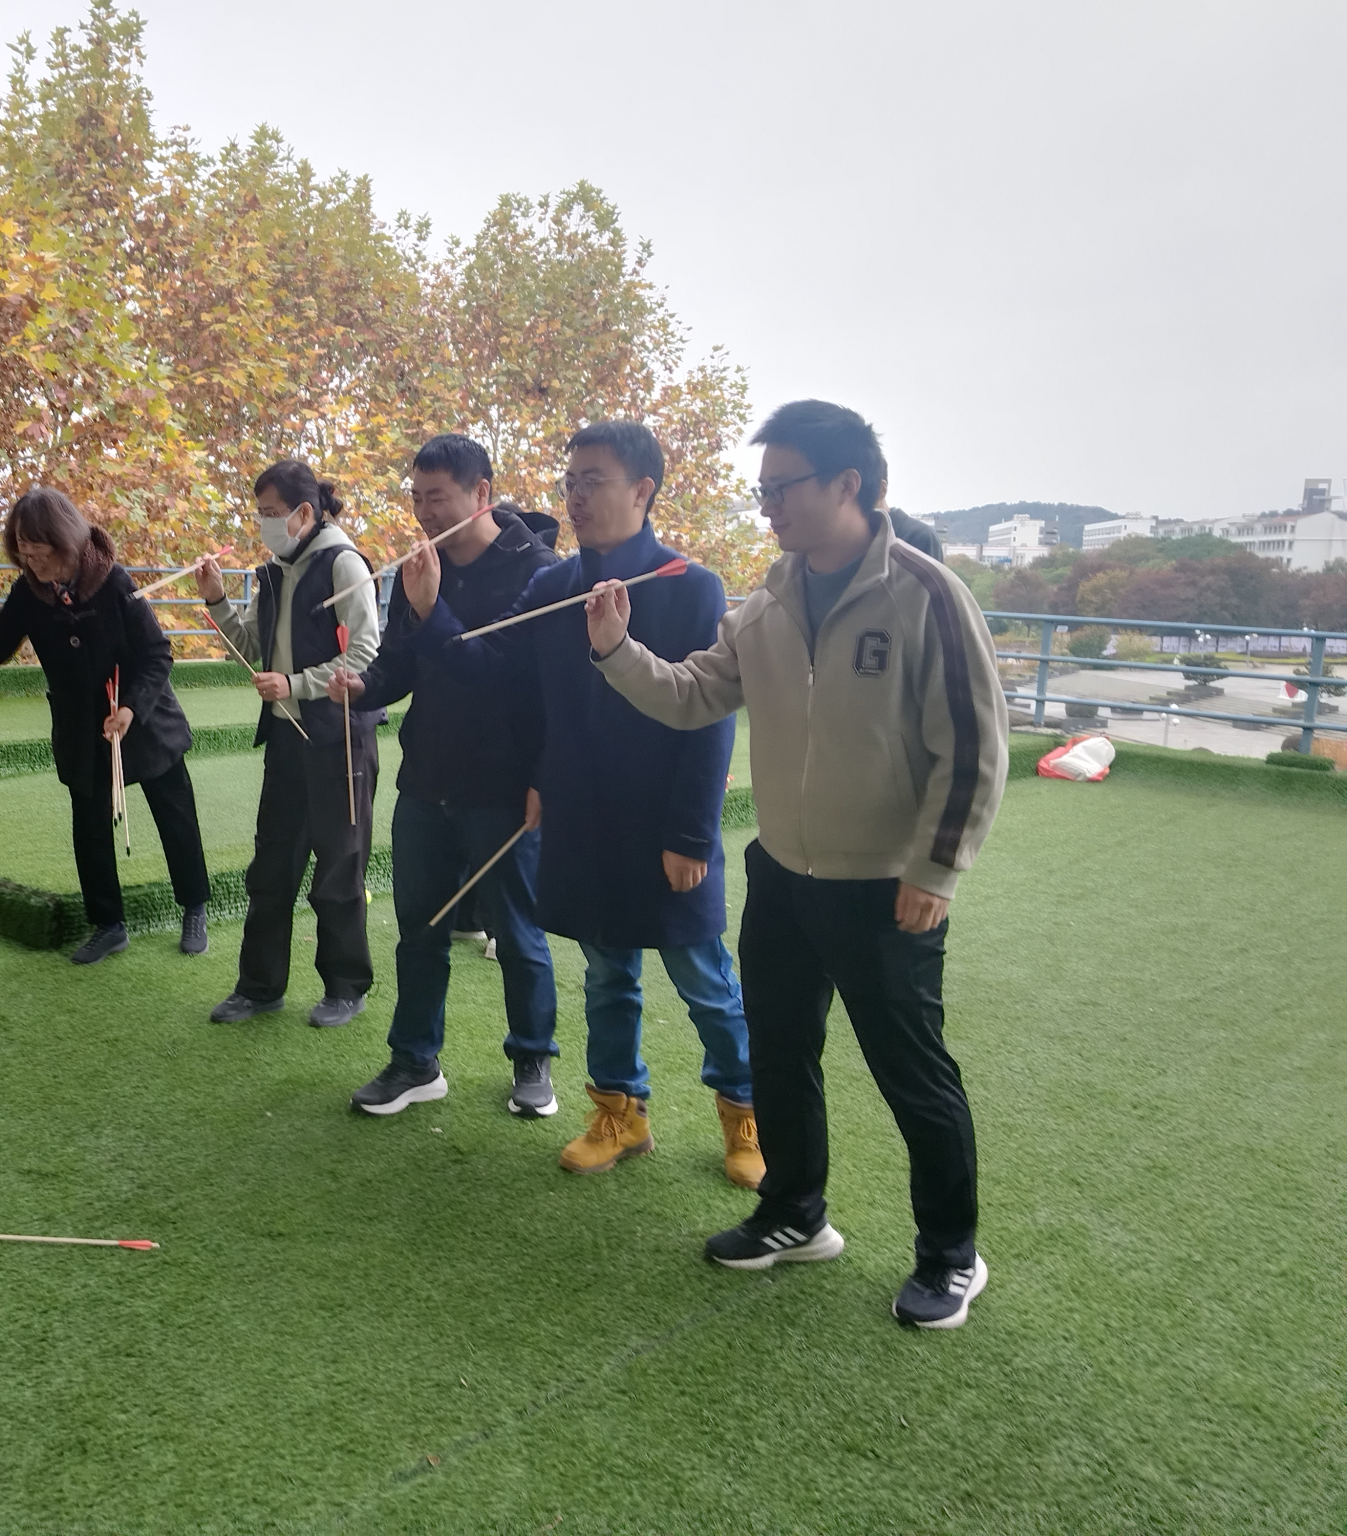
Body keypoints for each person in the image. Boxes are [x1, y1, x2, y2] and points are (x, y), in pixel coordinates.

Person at [583, 399, 1008, 1329]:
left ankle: (951, 1255)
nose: (768, 505)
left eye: (782, 487)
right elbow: (696, 694)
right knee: (779, 1055)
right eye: (762, 489)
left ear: (848, 484)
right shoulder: (766, 603)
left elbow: (974, 745)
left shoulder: (926, 593)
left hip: (887, 884)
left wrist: (936, 869)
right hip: (782, 874)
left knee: (912, 1074)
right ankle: (794, 1214)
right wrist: (617, 651)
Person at [393, 421, 764, 1188]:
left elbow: (710, 722)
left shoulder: (688, 584)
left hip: (663, 825)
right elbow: (494, 672)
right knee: (606, 975)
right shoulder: (555, 587)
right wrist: (431, 613)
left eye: (593, 481)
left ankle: (747, 1115)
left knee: (704, 979)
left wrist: (691, 835)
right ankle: (620, 1114)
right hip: (584, 821)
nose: (576, 496)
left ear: (643, 490)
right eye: (571, 482)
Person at [325, 435, 560, 1117]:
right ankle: (414, 1061)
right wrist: (364, 687)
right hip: (427, 779)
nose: (424, 512)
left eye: (438, 497)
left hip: (503, 786)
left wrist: (432, 610)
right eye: (417, 497)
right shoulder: (420, 568)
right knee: (418, 929)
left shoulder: (538, 572)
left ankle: (532, 1059)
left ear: (481, 493)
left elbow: (504, 675)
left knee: (518, 933)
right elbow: (402, 663)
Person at [0, 487, 212, 965]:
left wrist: (130, 708)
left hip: (144, 718)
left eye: (40, 554)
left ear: (67, 543)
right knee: (90, 830)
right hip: (80, 728)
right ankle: (108, 925)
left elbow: (157, 654)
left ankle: (194, 907)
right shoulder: (28, 593)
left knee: (175, 815)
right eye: (24, 554)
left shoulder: (114, 582)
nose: (32, 564)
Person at [191, 460, 383, 1027]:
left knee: (339, 866)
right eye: (260, 513)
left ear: (304, 512)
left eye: (272, 513)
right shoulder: (273, 571)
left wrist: (295, 684)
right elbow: (250, 647)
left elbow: (365, 653)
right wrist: (217, 601)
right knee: (271, 866)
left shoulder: (344, 563)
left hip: (339, 740)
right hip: (285, 738)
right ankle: (258, 987)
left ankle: (346, 987)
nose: (265, 524)